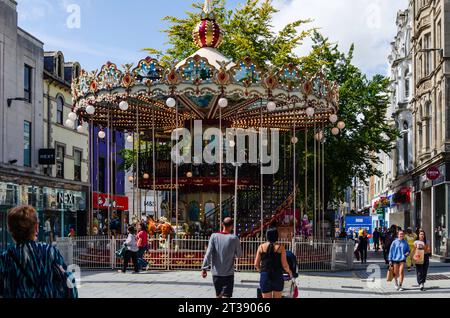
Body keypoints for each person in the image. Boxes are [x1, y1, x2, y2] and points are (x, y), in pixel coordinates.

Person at [0, 205, 78, 298]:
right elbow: (69, 285)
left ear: (11, 231)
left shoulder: (4, 259)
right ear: (36, 227)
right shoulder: (49, 252)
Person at [201, 217, 242, 298]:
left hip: (216, 273)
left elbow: (208, 253)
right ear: (232, 226)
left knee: (218, 296)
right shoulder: (234, 238)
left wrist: (204, 268)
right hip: (228, 274)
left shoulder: (214, 236)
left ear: (222, 224)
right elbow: (239, 255)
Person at [254, 228, 293, 299]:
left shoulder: (261, 247)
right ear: (276, 236)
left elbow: (256, 264)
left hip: (265, 275)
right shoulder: (281, 248)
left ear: (267, 236)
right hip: (277, 276)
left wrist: (261, 271)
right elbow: (285, 265)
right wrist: (289, 272)